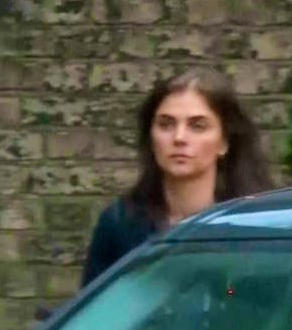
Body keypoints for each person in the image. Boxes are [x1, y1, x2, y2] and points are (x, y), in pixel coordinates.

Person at [81, 67, 275, 286]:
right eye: (166, 124)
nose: (179, 137)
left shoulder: (255, 225)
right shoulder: (120, 223)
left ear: (224, 142)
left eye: (197, 126)